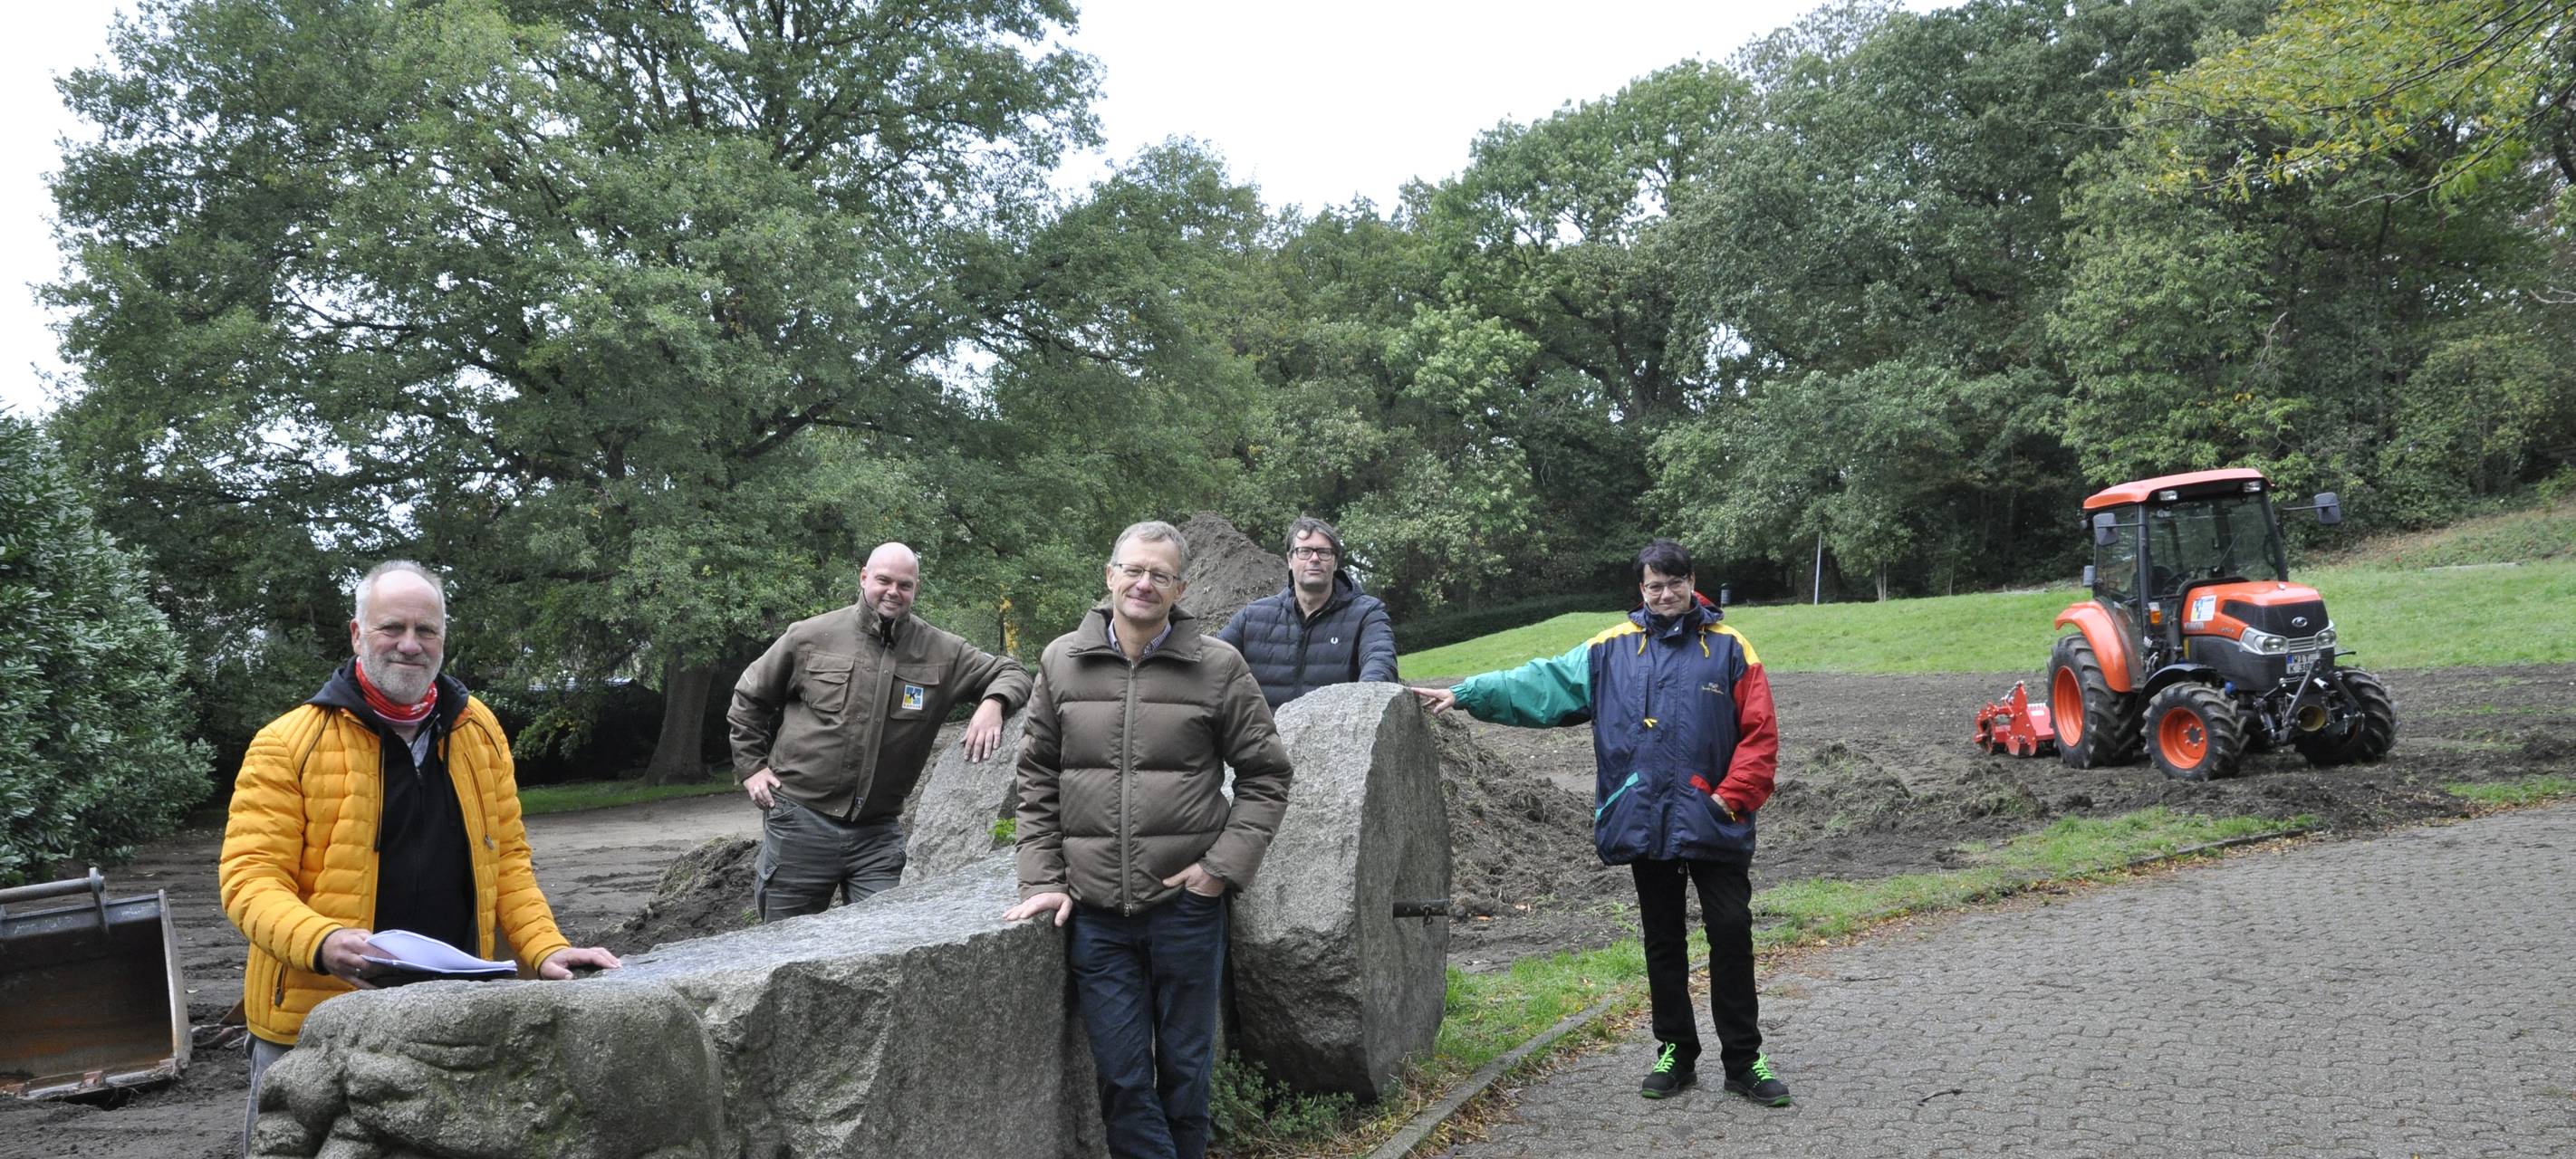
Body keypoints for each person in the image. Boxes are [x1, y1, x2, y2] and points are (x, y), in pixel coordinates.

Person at [220, 560, 622, 1153]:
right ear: (357, 634)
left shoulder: (479, 730)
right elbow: (248, 880)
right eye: (392, 628)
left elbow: (506, 859)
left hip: (450, 1018)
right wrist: (322, 941)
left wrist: (545, 948)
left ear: (442, 639)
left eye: (425, 630)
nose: (410, 644)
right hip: (312, 1025)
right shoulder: (287, 744)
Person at [1409, 539, 1790, 1106]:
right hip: (1644, 821)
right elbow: (1539, 684)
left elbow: (1760, 737)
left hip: (1714, 821)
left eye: (1674, 583)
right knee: (1663, 941)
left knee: (1731, 934)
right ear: (1641, 590)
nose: (1665, 595)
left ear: (1692, 582)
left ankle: (1744, 1060)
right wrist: (1466, 693)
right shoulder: (1610, 651)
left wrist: (1727, 801)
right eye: (1654, 586)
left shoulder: (1732, 650)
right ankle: (1676, 1052)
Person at [1003, 520, 1294, 1159]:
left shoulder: (1217, 666)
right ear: (1109, 576)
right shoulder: (1060, 661)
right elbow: (1037, 781)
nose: (1143, 583)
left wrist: (1220, 869)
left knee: (1187, 1077)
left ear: (1180, 587)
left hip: (1185, 909)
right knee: (1124, 1080)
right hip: (1097, 916)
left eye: (1159, 575)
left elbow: (1267, 775)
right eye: (1132, 570)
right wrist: (1043, 881)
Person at [728, 541, 1033, 921]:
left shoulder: (942, 651)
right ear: (864, 578)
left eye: (905, 585)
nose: (893, 591)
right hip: (800, 822)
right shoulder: (809, 636)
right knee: (782, 950)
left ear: (915, 589)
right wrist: (752, 767)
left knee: (889, 942)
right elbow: (749, 698)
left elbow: (1013, 672)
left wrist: (993, 704)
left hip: (878, 835)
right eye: (884, 580)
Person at [1216, 515, 1398, 710]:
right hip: (1262, 737)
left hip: (1337, 734)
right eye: (1304, 551)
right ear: (1289, 559)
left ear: (1335, 562)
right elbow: (1212, 662)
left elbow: (1380, 664)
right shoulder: (1252, 617)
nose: (1314, 558)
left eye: (1324, 552)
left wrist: (1364, 706)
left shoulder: (1367, 613)